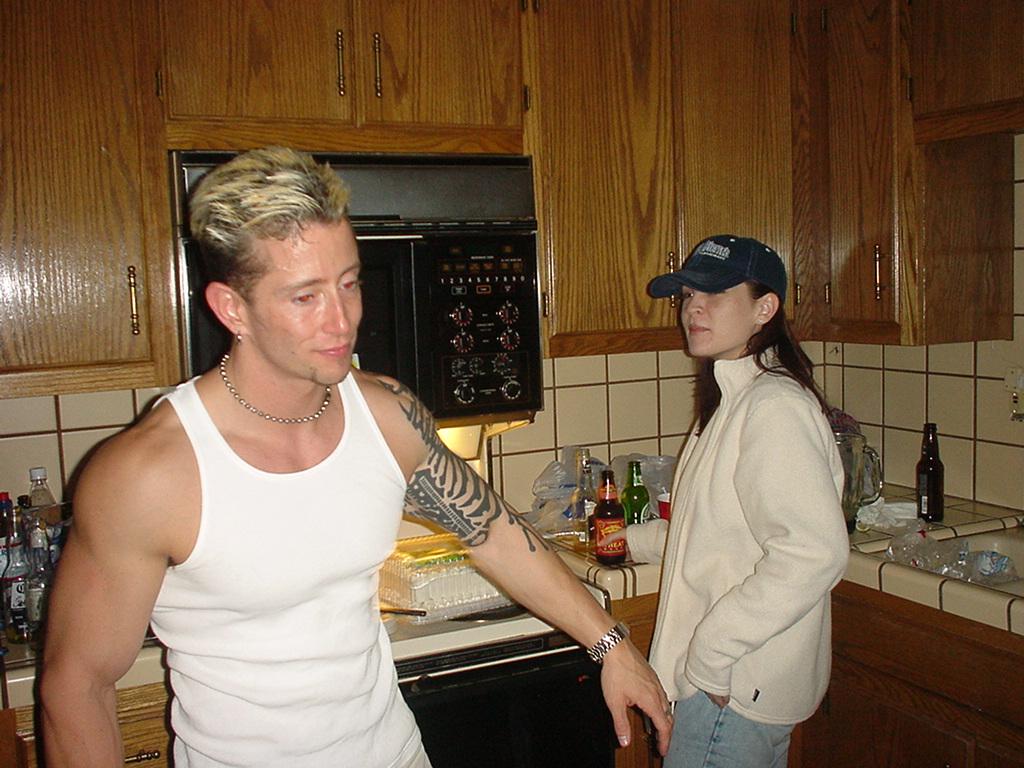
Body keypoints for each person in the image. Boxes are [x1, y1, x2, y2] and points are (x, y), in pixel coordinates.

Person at [39, 147, 672, 767]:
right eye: (305, 297)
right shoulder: (150, 474)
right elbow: (77, 686)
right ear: (232, 309)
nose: (342, 321)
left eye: (349, 284)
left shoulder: (385, 414)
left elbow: (495, 533)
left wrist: (612, 646)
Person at [617, 235, 849, 768]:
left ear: (765, 309)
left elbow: (813, 554)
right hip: (728, 683)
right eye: (687, 296)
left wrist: (710, 655)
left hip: (733, 687)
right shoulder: (735, 398)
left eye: (715, 294)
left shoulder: (774, 407)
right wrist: (634, 540)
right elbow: (719, 529)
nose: (693, 309)